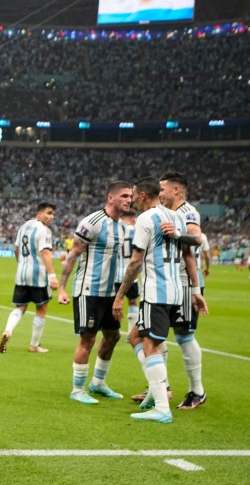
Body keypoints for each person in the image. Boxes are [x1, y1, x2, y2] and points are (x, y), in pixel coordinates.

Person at [112, 178, 207, 423]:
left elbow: (136, 261)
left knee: (150, 345)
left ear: (143, 195)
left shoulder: (145, 219)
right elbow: (189, 252)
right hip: (177, 291)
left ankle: (162, 406)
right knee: (137, 337)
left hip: (156, 292)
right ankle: (157, 392)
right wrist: (195, 290)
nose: (131, 199)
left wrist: (120, 295)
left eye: (133, 195)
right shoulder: (175, 217)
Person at [58, 181, 133, 405]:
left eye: (130, 196)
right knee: (88, 338)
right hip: (88, 290)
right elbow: (73, 255)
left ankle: (98, 383)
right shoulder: (92, 222)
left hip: (109, 292)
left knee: (112, 336)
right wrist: (62, 287)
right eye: (124, 196)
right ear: (110, 198)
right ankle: (77, 389)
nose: (129, 200)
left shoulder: (121, 227)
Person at [156, 172, 209, 410]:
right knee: (153, 334)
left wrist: (177, 234)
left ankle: (197, 391)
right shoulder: (167, 212)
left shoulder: (187, 211)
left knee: (183, 334)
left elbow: (197, 238)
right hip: (169, 281)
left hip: (185, 281)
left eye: (163, 189)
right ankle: (160, 386)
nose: (160, 193)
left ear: (176, 190)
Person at [0, 202, 59, 354]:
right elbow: (46, 253)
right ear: (39, 214)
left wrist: (22, 264)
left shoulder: (24, 226)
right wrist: (52, 275)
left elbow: (16, 249)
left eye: (53, 214)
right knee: (42, 308)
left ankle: (7, 330)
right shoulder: (44, 230)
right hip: (38, 275)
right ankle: (34, 345)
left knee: (20, 307)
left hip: (22, 273)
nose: (52, 217)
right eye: (49, 213)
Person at [119, 208, 141, 340]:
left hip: (115, 274)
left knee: (114, 301)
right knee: (132, 302)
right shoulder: (135, 231)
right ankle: (131, 334)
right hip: (131, 274)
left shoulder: (115, 229)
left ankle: (111, 330)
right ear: (133, 218)